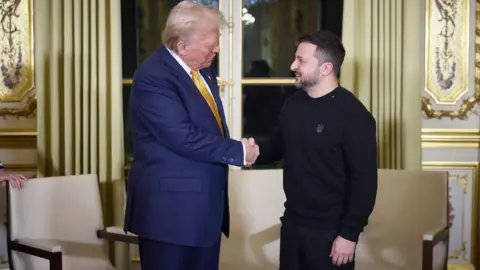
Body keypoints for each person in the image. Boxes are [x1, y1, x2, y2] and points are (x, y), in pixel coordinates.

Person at [123, 1, 259, 270]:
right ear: (182, 47)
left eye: (216, 41)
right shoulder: (153, 77)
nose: (217, 49)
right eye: (211, 45)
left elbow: (208, 125)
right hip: (170, 215)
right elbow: (182, 136)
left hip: (204, 212)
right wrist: (239, 151)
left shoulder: (202, 67)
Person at [253, 31, 378, 269]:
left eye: (301, 61)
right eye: (295, 58)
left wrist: (349, 235)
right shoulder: (292, 105)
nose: (292, 66)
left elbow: (365, 182)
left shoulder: (354, 116)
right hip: (292, 224)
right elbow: (276, 147)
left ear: (326, 68)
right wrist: (244, 152)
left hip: (332, 233)